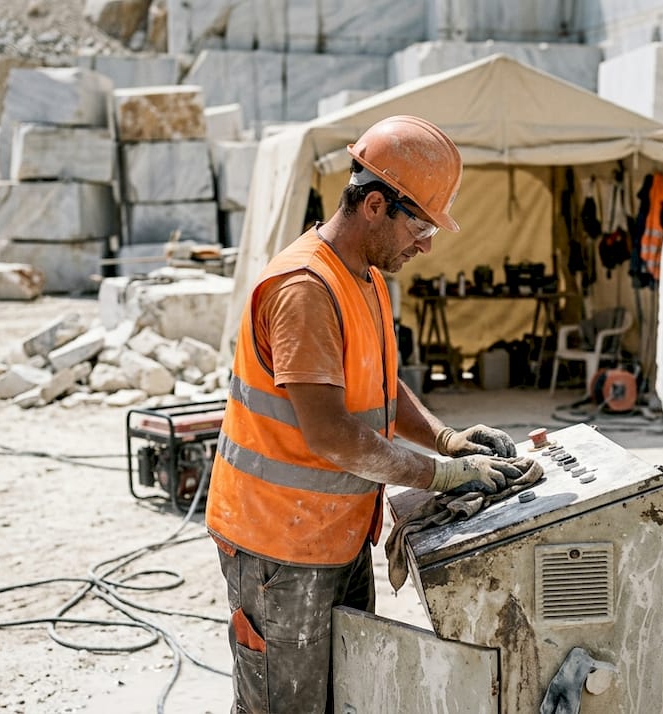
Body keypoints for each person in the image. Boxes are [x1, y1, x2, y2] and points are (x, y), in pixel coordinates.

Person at [206, 115, 529, 714]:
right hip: (279, 544)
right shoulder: (304, 288)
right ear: (376, 204)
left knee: (343, 695)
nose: (427, 243)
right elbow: (331, 435)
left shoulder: (367, 279)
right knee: (286, 705)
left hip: (338, 530)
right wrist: (439, 474)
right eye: (423, 225)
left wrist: (445, 438)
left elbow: (382, 390)